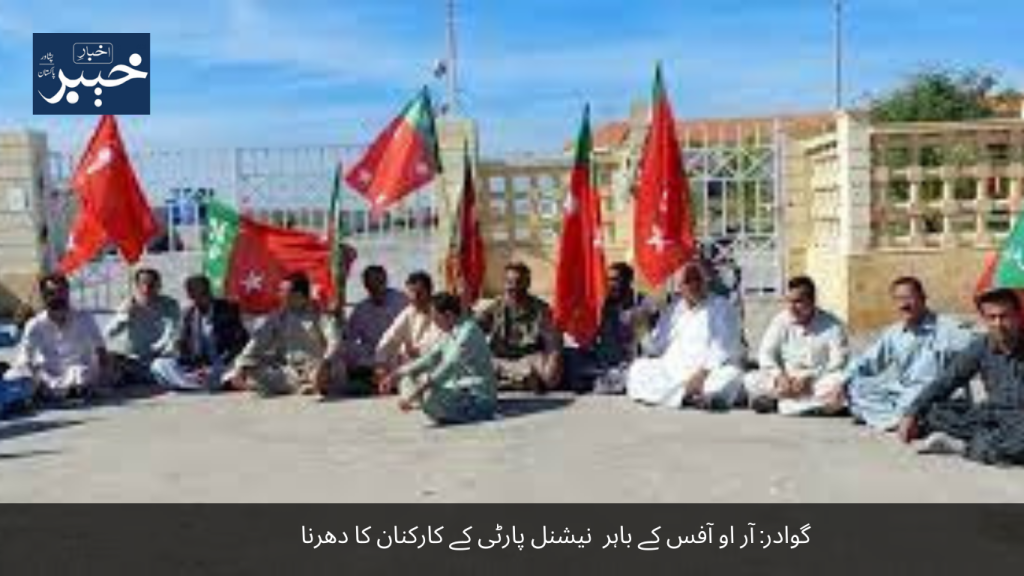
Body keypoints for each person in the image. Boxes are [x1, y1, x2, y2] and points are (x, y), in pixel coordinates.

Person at [898, 288, 1024, 466]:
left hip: (1020, 420)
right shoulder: (981, 346)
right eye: (992, 317)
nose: (998, 323)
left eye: (1005, 316)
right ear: (984, 320)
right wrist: (912, 413)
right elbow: (946, 380)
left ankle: (966, 447)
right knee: (935, 411)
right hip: (992, 414)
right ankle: (988, 442)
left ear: (1018, 315)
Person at [845, 277, 971, 430]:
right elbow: (867, 362)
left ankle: (893, 418)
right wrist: (842, 382)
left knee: (920, 400)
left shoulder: (950, 329)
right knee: (856, 386)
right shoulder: (894, 333)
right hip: (903, 393)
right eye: (898, 299)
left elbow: (979, 354)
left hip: (935, 395)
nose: (903, 305)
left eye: (909, 298)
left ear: (923, 299)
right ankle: (905, 420)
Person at [625, 261, 745, 411]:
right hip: (673, 370)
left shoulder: (721, 306)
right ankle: (688, 396)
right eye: (688, 281)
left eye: (697, 280)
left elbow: (724, 346)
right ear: (680, 286)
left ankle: (689, 396)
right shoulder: (674, 309)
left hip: (708, 372)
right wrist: (642, 330)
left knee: (730, 376)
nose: (693, 285)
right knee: (638, 369)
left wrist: (702, 374)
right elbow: (656, 348)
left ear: (705, 282)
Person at [380, 292, 498, 425]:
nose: (434, 322)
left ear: (448, 315)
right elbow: (429, 359)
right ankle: (425, 403)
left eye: (435, 317)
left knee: (429, 395)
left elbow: (448, 367)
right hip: (455, 389)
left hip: (476, 396)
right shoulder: (450, 331)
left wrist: (417, 392)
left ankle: (451, 413)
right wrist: (395, 374)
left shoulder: (468, 332)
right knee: (408, 377)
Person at [744, 276, 850, 416]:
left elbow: (838, 362)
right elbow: (765, 354)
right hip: (787, 381)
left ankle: (779, 403)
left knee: (839, 380)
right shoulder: (781, 320)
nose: (791, 307)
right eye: (788, 301)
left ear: (812, 301)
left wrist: (811, 379)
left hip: (816, 382)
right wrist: (780, 377)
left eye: (798, 302)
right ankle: (810, 405)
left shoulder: (833, 325)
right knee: (750, 379)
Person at [230, 272, 346, 397]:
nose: (279, 294)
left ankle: (312, 385)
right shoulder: (278, 316)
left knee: (331, 372)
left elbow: (334, 341)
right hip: (291, 372)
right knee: (250, 366)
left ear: (298, 295)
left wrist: (325, 363)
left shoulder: (320, 314)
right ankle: (302, 387)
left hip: (319, 369)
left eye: (283, 291)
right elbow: (258, 341)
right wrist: (242, 364)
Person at [9, 274, 109, 402]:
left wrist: (103, 379)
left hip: (79, 376)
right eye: (51, 293)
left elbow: (101, 351)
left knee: (79, 372)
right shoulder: (34, 325)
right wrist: (31, 376)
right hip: (47, 378)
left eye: (61, 291)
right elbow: (24, 358)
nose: (57, 297)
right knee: (15, 374)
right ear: (44, 297)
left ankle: (70, 392)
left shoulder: (85, 319)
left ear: (67, 293)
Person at [563, 262, 653, 393]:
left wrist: (640, 320)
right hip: (600, 361)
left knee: (639, 372)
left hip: (626, 363)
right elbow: (584, 339)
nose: (610, 284)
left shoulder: (641, 304)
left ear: (628, 281)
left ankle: (605, 383)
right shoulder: (601, 303)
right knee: (568, 355)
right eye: (607, 280)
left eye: (615, 280)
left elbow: (647, 343)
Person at [151, 275, 249, 391]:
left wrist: (216, 366)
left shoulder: (229, 309)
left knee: (239, 367)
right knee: (159, 364)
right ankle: (205, 384)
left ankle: (199, 384)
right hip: (198, 367)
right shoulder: (188, 313)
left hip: (224, 363)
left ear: (208, 292)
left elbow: (240, 342)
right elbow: (182, 344)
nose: (196, 301)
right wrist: (190, 364)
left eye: (200, 296)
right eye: (193, 297)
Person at [476, 262, 563, 393]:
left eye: (519, 282)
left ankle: (510, 381)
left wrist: (554, 356)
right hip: (501, 360)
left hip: (530, 359)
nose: (514, 287)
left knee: (551, 378)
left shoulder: (541, 309)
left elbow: (552, 342)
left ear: (527, 284)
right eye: (509, 282)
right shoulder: (495, 307)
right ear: (504, 284)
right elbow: (472, 331)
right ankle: (520, 381)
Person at [105, 268, 181, 386]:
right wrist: (124, 316)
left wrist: (157, 349)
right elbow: (109, 333)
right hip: (135, 359)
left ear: (159, 285)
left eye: (151, 284)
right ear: (137, 286)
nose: (147, 288)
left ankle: (147, 377)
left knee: (162, 365)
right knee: (110, 358)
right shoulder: (129, 304)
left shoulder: (169, 305)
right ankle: (142, 376)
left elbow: (172, 332)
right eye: (143, 283)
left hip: (160, 357)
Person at [375, 271, 444, 394]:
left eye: (419, 293)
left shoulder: (440, 311)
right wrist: (380, 363)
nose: (415, 297)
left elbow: (440, 342)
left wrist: (418, 349)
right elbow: (390, 336)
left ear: (429, 291)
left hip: (437, 365)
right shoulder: (409, 312)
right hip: (413, 365)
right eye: (411, 293)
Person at [343, 265, 408, 391]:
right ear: (366, 286)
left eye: (379, 282)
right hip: (372, 357)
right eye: (371, 284)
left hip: (397, 353)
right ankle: (378, 379)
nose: (376, 287)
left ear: (385, 281)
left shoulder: (401, 300)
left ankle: (384, 381)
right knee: (347, 352)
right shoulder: (361, 309)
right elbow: (350, 338)